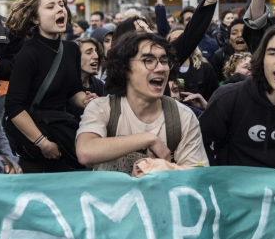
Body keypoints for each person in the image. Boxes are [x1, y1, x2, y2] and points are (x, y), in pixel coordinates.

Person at [76, 32, 209, 173]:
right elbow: (85, 152)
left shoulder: (183, 117)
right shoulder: (102, 108)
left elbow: (197, 176)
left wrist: (164, 168)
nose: (160, 68)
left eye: (164, 61)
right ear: (125, 69)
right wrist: (148, 139)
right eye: (148, 60)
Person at [199, 24, 275, 175]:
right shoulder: (229, 99)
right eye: (273, 53)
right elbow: (198, 146)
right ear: (262, 60)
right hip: (237, 194)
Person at [4, 0, 97, 173]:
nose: (60, 9)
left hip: (60, 133)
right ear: (35, 18)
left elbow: (73, 91)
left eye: (61, 4)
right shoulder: (27, 54)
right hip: (33, 142)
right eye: (50, 6)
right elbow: (14, 107)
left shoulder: (71, 49)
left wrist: (85, 100)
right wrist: (43, 143)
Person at [168, 27, 218, 101]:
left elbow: (213, 99)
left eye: (184, 39)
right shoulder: (165, 69)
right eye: (175, 40)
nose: (180, 44)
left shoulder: (205, 68)